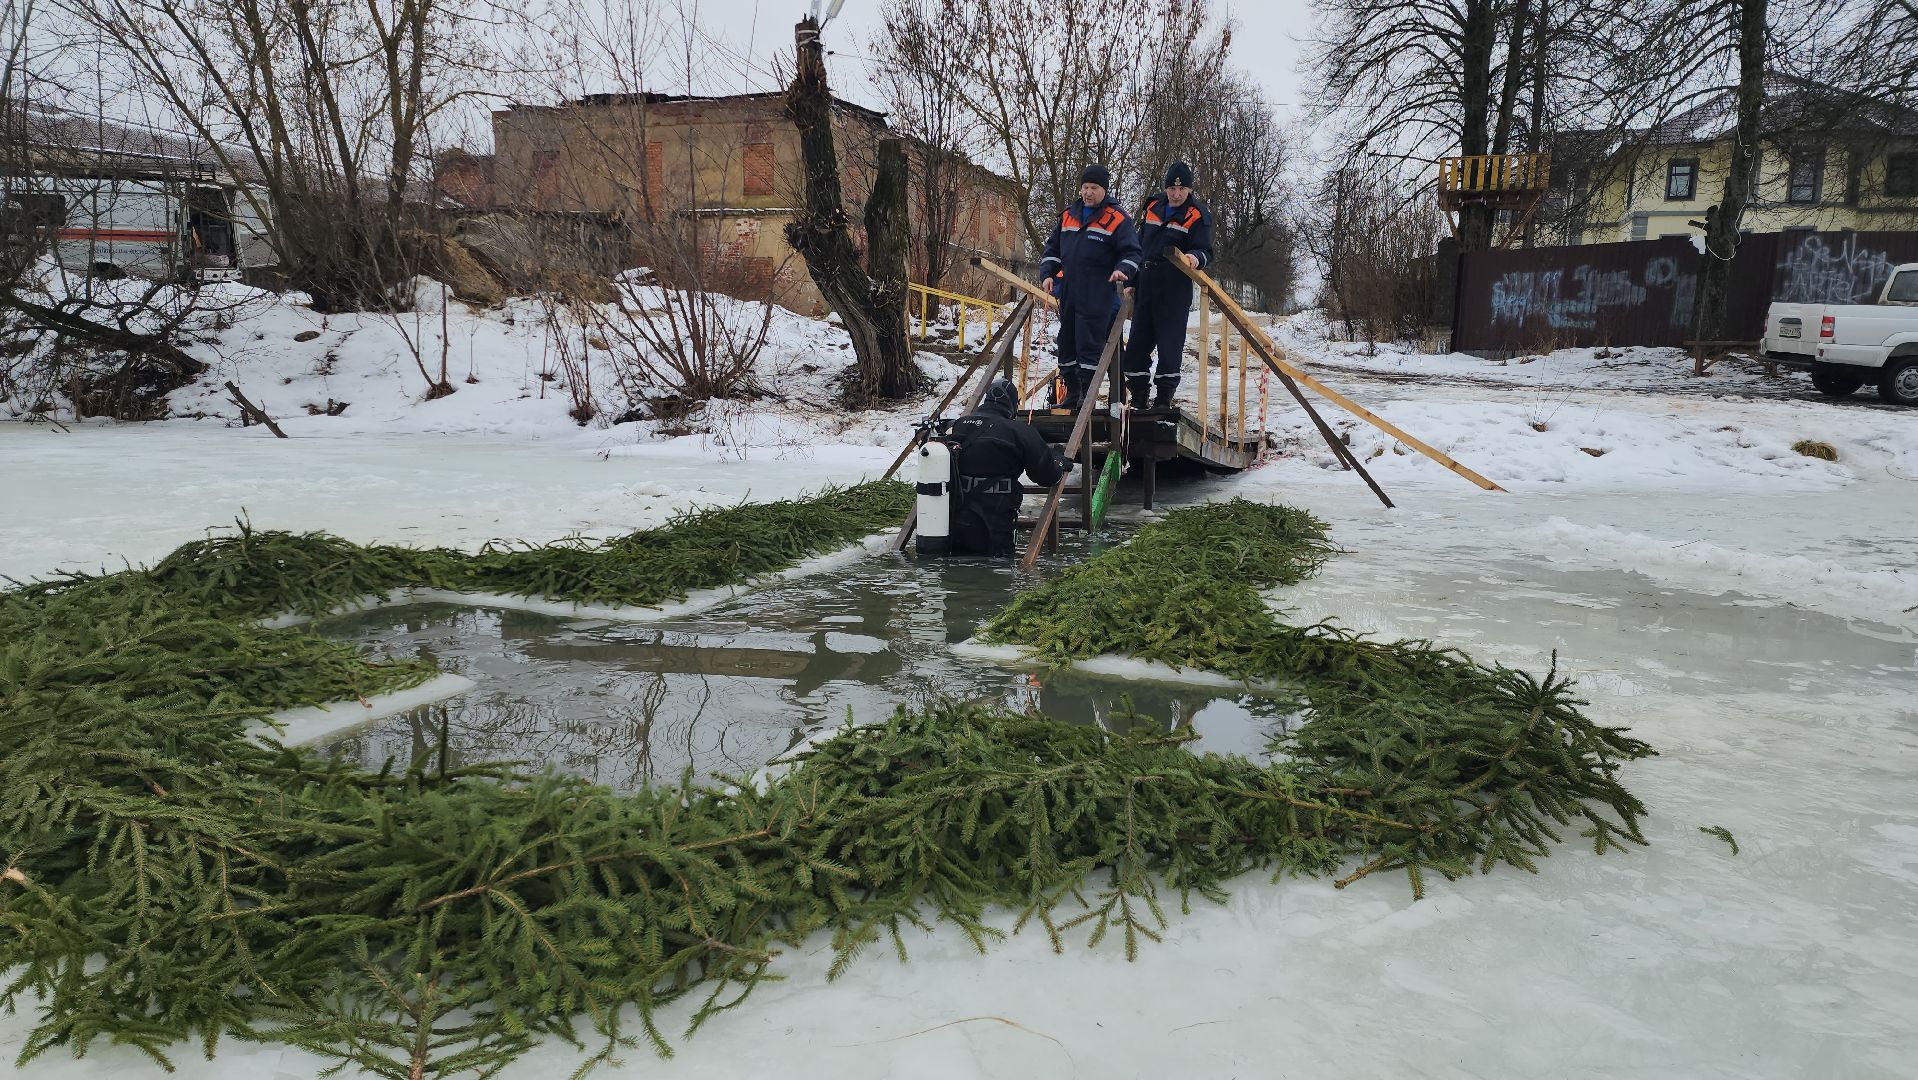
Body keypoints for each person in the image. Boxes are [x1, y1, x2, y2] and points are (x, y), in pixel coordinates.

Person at [1038, 164, 1142, 411]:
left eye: (1094, 188)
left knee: (1089, 343)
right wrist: (1047, 274)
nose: (1088, 192)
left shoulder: (1117, 218)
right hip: (1070, 291)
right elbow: (1052, 249)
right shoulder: (1068, 216)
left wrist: (1122, 270)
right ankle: (1072, 391)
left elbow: (1132, 252)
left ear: (1104, 190)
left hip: (1098, 293)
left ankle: (1087, 393)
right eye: (1085, 187)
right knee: (1067, 342)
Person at [1121, 160, 1215, 411]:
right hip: (1147, 283)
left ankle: (1163, 398)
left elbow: (1205, 251)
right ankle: (1139, 394)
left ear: (1189, 190)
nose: (1176, 194)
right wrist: (1131, 280)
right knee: (1138, 343)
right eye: (1172, 189)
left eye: (1181, 189)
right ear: (1166, 189)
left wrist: (1195, 257)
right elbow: (1138, 245)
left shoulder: (1196, 215)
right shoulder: (1153, 206)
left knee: (1169, 344)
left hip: (1173, 286)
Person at [947, 378, 1069, 557]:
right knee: (998, 566)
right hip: (995, 520)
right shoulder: (1020, 431)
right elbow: (1046, 476)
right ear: (1012, 404)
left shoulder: (960, 425)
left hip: (955, 518)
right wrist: (1059, 462)